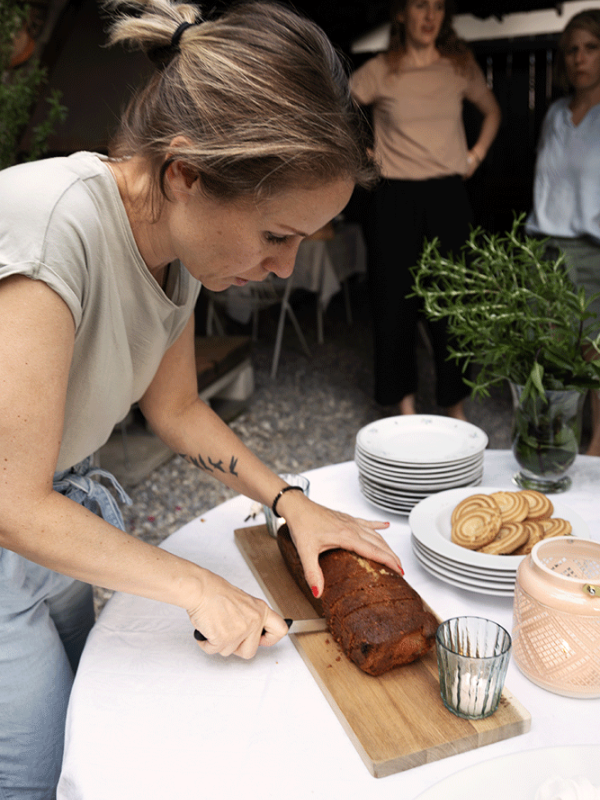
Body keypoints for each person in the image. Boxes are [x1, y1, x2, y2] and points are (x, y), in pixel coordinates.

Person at [0, 1, 406, 796]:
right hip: (20, 530)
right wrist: (194, 583)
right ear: (184, 172)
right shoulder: (54, 228)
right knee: (44, 775)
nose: (287, 268)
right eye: (276, 235)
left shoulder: (176, 252)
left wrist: (292, 503)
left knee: (95, 718)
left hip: (56, 535)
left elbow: (177, 410)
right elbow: (12, 502)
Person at [350, 0, 501, 419]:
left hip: (449, 199)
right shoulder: (381, 68)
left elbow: (492, 111)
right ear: (400, 13)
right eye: (420, 5)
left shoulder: (458, 65)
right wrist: (366, 157)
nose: (430, 15)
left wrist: (475, 156)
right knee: (393, 305)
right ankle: (405, 409)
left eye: (437, 6)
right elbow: (338, 111)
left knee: (453, 305)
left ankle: (454, 403)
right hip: (394, 199)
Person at [526, 9, 600, 457]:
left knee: (595, 350)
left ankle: (597, 442)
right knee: (550, 346)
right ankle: (554, 433)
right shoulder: (555, 113)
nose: (580, 59)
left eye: (591, 47)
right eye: (572, 50)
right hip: (545, 245)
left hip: (591, 249)